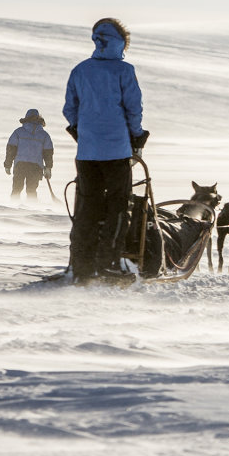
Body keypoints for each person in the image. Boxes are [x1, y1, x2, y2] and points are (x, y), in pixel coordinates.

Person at [63, 18, 146, 280]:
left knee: (88, 207)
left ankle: (82, 265)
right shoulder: (124, 71)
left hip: (87, 153)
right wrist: (137, 137)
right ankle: (109, 262)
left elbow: (70, 108)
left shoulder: (80, 70)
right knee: (118, 206)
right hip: (117, 151)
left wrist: (81, 131)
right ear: (120, 44)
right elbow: (133, 109)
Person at [5, 110, 54, 200]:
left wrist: (8, 165)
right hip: (36, 166)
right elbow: (48, 153)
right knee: (31, 190)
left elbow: (11, 150)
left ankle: (13, 208)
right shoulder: (44, 135)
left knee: (16, 189)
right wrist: (48, 168)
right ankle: (32, 209)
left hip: (20, 164)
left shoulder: (18, 132)